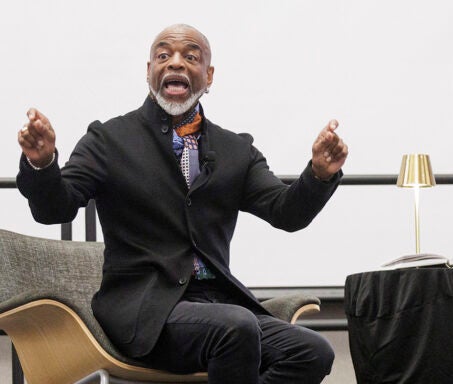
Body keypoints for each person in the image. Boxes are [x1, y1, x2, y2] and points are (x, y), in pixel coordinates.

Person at [16, 24, 347, 383]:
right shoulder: (109, 140)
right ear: (149, 72)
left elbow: (287, 213)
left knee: (311, 352)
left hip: (219, 302)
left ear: (209, 75)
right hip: (143, 310)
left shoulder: (236, 150)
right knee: (235, 328)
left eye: (191, 57)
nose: (176, 63)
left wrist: (318, 174)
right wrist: (42, 163)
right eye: (163, 56)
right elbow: (55, 209)